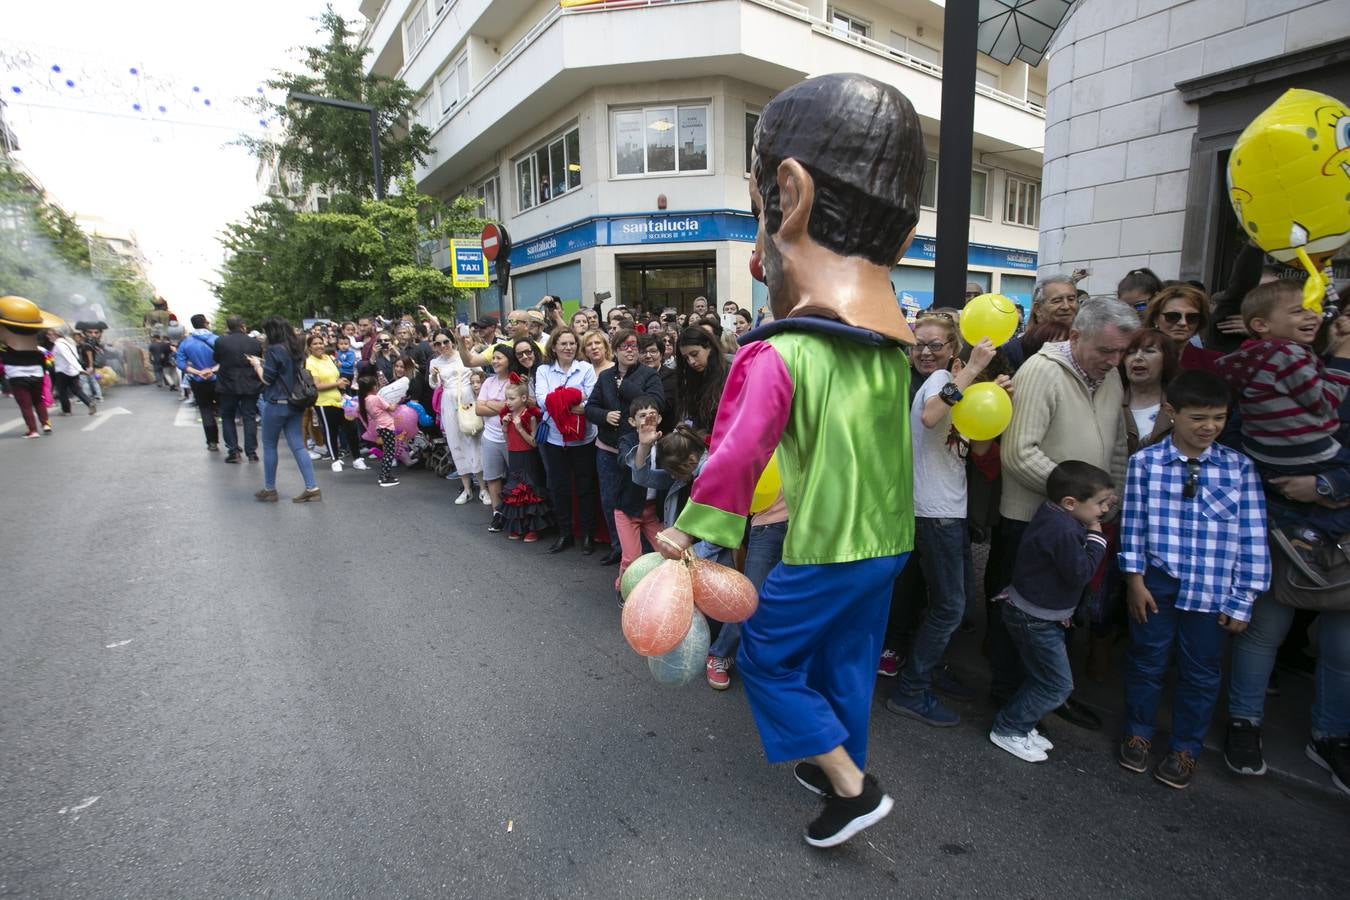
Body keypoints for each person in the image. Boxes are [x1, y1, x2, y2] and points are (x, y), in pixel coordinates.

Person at [654, 73, 922, 847]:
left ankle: (851, 788)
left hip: (830, 544)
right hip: (886, 543)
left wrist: (689, 530)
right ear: (900, 243)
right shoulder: (885, 351)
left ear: (788, 196)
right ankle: (836, 755)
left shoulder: (783, 352)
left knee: (768, 659)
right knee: (846, 659)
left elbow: (737, 453)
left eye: (756, 205)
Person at [1118, 370, 1269, 789]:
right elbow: (1134, 525)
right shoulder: (1145, 463)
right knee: (1147, 661)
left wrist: (1243, 599)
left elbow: (1252, 537)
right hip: (1157, 583)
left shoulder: (1239, 469)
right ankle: (1139, 732)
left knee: (1201, 672)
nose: (1209, 427)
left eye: (1219, 418)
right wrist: (1134, 578)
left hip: (1212, 589)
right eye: (1199, 417)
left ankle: (1186, 747)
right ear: (1172, 412)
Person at [993, 298, 1140, 730]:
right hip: (1031, 523)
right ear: (1076, 337)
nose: (1116, 362)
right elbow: (1019, 454)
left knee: (1059, 617)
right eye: (1106, 351)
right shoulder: (1040, 372)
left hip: (1080, 522)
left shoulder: (1109, 377)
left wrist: (1109, 503)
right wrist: (1077, 503)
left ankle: (1043, 698)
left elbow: (1115, 446)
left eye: (1122, 352)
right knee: (1019, 622)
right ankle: (1007, 701)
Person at [885, 328, 1004, 728]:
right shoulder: (938, 382)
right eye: (919, 344)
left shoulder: (954, 384)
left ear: (952, 348)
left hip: (943, 510)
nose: (925, 352)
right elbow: (932, 415)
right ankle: (912, 688)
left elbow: (981, 446)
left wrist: (996, 394)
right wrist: (971, 370)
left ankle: (925, 670)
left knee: (943, 604)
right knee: (951, 606)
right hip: (935, 512)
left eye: (936, 345)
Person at [990, 461, 1113, 762]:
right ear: (1070, 503)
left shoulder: (1057, 517)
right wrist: (1097, 539)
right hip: (1036, 620)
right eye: (1100, 504)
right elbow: (1080, 573)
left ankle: (1021, 723)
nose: (1104, 511)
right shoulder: (1063, 529)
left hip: (1033, 614)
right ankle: (1009, 728)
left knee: (1040, 676)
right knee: (1057, 684)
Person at [1217, 281, 1350, 555]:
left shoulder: (1274, 356)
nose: (1312, 316)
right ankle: (1314, 534)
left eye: (1312, 310)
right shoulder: (1295, 357)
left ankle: (1316, 533)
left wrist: (1325, 486)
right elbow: (1236, 435)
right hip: (1277, 510)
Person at [586, 329, 665, 567]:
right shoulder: (605, 377)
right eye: (624, 347)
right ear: (616, 350)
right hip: (608, 450)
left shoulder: (649, 375)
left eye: (634, 347)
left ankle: (646, 554)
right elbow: (590, 407)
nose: (630, 351)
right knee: (610, 500)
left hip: (638, 450)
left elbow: (657, 404)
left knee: (640, 501)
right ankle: (618, 548)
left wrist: (626, 388)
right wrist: (604, 414)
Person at [535, 329, 599, 554]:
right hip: (554, 439)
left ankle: (588, 535)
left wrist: (560, 400)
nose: (568, 347)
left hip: (584, 440)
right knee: (559, 488)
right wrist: (573, 397)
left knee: (585, 489)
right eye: (563, 343)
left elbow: (591, 401)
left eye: (572, 343)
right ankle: (565, 534)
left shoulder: (586, 368)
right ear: (554, 347)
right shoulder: (543, 370)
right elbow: (543, 401)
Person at [248, 317, 320, 502]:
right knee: (298, 445)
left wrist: (257, 366)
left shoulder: (274, 350)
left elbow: (267, 379)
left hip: (276, 403)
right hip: (295, 403)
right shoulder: (296, 349)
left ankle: (270, 488)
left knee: (270, 445)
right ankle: (312, 487)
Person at [429, 330, 484, 504]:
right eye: (438, 344)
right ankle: (467, 489)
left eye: (446, 341)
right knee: (455, 443)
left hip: (467, 399)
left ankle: (483, 488)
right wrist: (434, 375)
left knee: (473, 441)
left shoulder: (465, 355)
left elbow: (480, 373)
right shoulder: (434, 362)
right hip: (448, 402)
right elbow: (434, 385)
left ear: (452, 341)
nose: (443, 346)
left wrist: (476, 389)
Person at [0, 296, 60, 438]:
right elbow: (44, 364)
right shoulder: (38, 352)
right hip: (37, 376)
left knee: (25, 405)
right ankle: (46, 423)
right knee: (38, 400)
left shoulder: (5, 351)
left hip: (18, 378)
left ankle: (32, 430)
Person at [499, 380, 551, 542]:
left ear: (523, 398)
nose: (508, 402)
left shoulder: (529, 417)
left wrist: (520, 427)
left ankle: (532, 528)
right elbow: (507, 441)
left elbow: (534, 443)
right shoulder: (508, 416)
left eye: (512, 398)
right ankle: (518, 527)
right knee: (515, 492)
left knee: (530, 492)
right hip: (514, 456)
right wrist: (505, 428)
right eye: (507, 398)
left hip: (528, 457)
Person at [1121, 328, 1179, 453]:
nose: (1137, 357)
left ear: (1166, 359)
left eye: (1149, 351)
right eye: (1130, 352)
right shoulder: (1111, 401)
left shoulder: (1180, 404)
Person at [214, 315, 263, 463]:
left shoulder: (220, 341)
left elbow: (217, 359)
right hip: (250, 383)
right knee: (249, 416)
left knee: (228, 416)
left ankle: (233, 450)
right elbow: (258, 359)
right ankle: (252, 452)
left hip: (228, 384)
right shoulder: (253, 342)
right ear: (242, 325)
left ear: (228, 326)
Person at [477, 346, 515, 533]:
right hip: (490, 436)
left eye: (499, 358)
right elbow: (478, 409)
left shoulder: (515, 381)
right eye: (493, 358)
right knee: (493, 477)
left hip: (512, 437)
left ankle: (517, 512)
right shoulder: (488, 382)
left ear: (508, 360)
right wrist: (501, 406)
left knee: (516, 476)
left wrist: (489, 404)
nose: (495, 361)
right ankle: (497, 514)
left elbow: (514, 407)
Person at [1002, 275, 1078, 370]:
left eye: (1071, 299)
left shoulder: (1086, 344)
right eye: (1057, 301)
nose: (1066, 306)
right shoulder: (1015, 350)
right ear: (1038, 309)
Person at [1144, 283, 1220, 372]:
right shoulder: (1137, 359)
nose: (1183, 323)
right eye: (1172, 316)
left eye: (1192, 317)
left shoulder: (1216, 362)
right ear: (1155, 318)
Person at [305, 333, 351, 471]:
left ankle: (353, 457)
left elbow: (335, 377)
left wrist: (342, 382)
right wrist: (337, 384)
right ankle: (334, 459)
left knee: (347, 428)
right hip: (323, 402)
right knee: (330, 431)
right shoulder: (310, 362)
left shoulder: (328, 358)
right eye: (315, 344)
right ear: (309, 348)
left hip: (337, 399)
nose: (319, 346)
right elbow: (317, 385)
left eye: (320, 343)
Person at [177, 314, 220, 451]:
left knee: (205, 410)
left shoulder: (186, 342)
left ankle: (212, 442)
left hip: (198, 381)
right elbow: (226, 359)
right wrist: (212, 370)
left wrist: (198, 372)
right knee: (226, 411)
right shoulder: (217, 340)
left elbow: (180, 363)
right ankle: (233, 446)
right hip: (218, 379)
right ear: (206, 323)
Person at [673, 326, 729, 433]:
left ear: (709, 346)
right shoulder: (689, 377)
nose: (691, 361)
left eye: (695, 354)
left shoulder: (731, 372)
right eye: (686, 358)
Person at [358, 372, 400, 488]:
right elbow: (391, 408)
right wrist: (397, 400)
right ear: (373, 387)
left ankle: (386, 475)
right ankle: (384, 478)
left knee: (387, 451)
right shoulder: (376, 398)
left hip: (380, 426)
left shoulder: (365, 400)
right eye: (376, 385)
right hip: (387, 426)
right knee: (389, 453)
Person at [50, 328, 96, 416]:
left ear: (56, 335)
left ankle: (66, 411)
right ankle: (89, 403)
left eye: (50, 334)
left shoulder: (59, 344)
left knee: (62, 391)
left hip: (63, 371)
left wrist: (80, 369)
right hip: (72, 371)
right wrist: (78, 369)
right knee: (77, 390)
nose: (48, 337)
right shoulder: (69, 342)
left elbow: (69, 358)